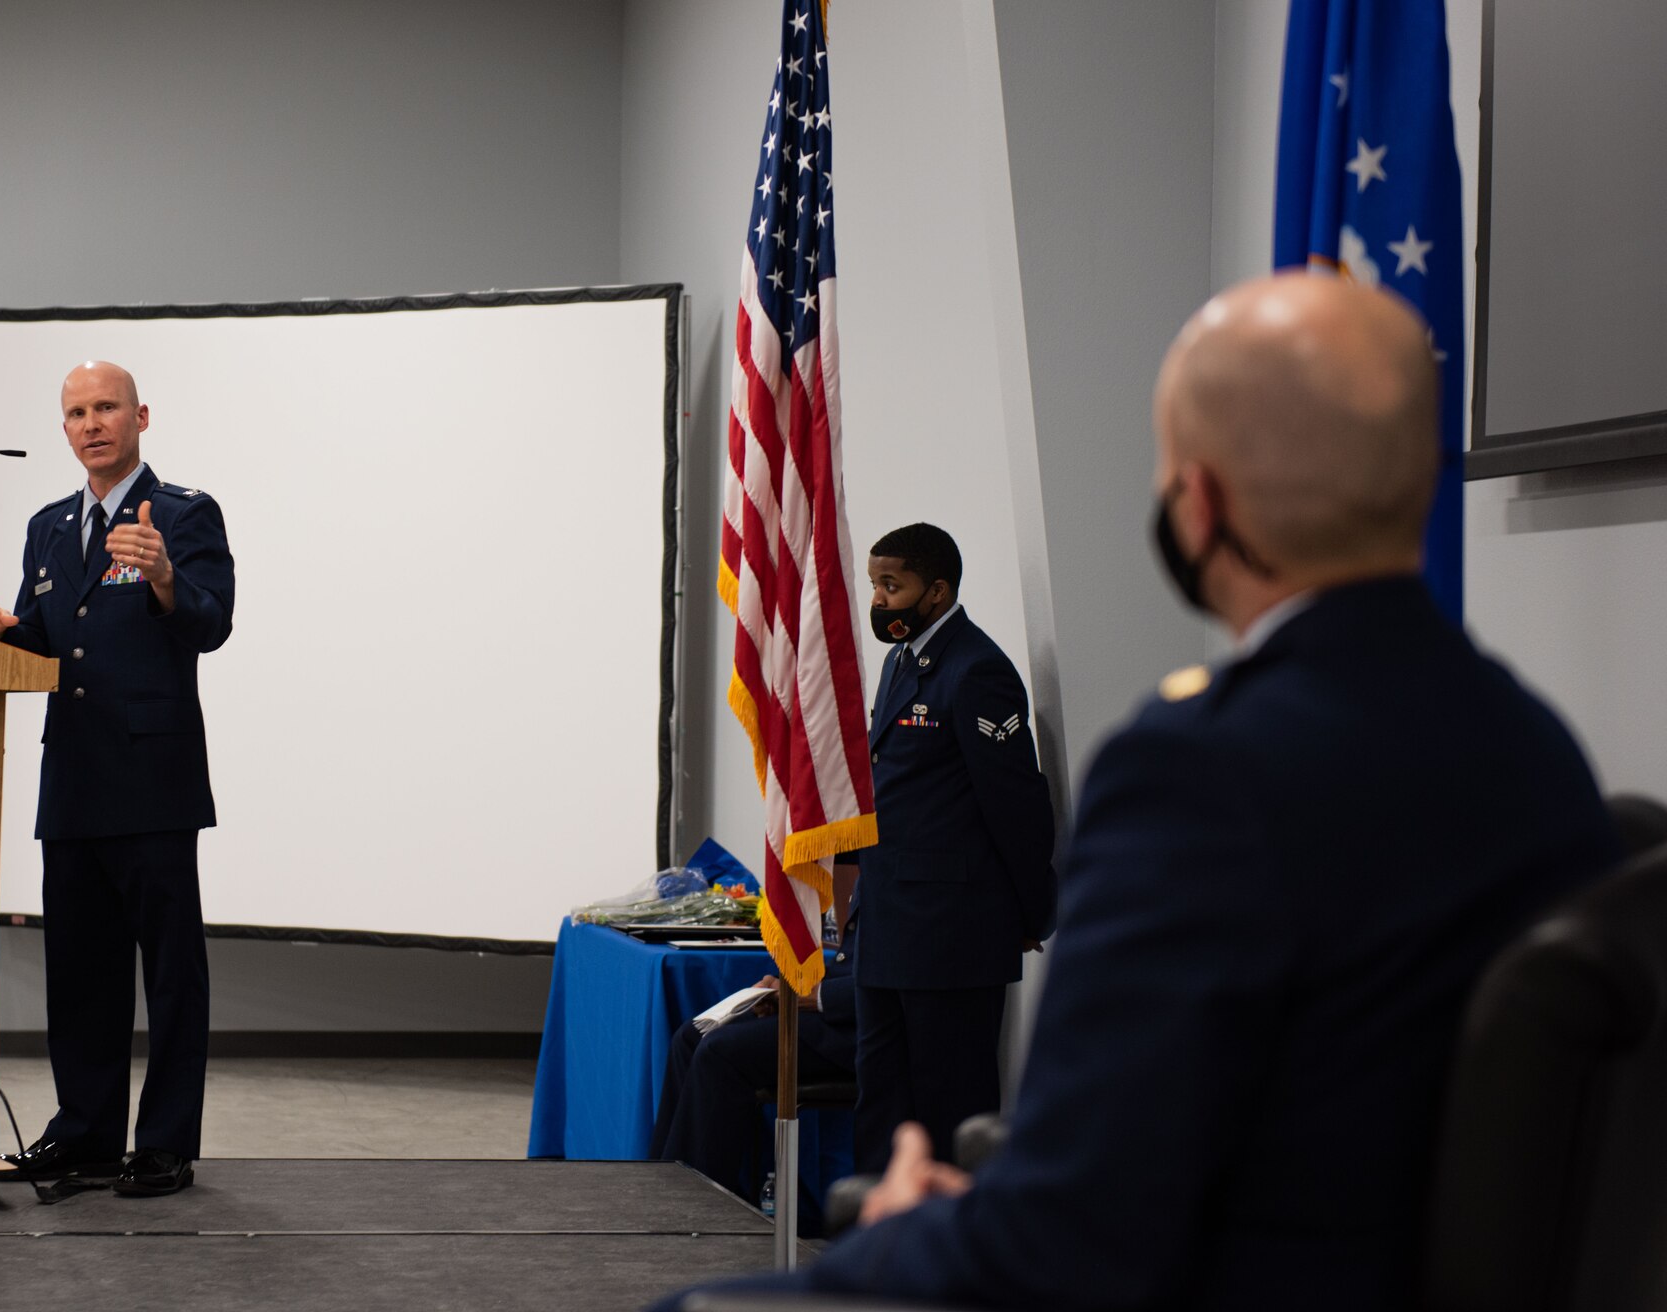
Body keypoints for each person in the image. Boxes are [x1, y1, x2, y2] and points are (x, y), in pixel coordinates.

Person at [659, 274, 1620, 1309]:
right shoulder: (1538, 753)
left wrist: (907, 1236)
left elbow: (1077, 1226)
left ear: (1197, 502)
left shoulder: (1198, 770)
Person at [0, 360, 234, 1198]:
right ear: (65, 429)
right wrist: (5, 630)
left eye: (106, 407)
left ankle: (167, 1141)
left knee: (171, 972)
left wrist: (169, 578)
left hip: (153, 776)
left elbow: (213, 626)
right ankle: (89, 1134)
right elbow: (57, 643)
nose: (92, 423)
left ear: (142, 416)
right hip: (72, 778)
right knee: (80, 970)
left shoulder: (182, 514)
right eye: (76, 412)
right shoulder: (47, 524)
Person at [852, 523, 1057, 1173]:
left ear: (936, 591)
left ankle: (952, 1258)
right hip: (886, 928)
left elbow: (1016, 807)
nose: (881, 600)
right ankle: (875, 1247)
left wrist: (1032, 913)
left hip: (951, 936)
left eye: (894, 585)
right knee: (882, 1101)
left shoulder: (977, 671)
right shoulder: (899, 662)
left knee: (951, 1108)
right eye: (876, 585)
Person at [650, 906, 860, 1228]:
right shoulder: (879, 867)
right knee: (692, 1036)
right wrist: (790, 986)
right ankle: (658, 1190)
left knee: (720, 1053)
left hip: (863, 1030)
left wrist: (818, 995)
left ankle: (689, 1213)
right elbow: (855, 963)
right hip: (838, 1007)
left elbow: (898, 979)